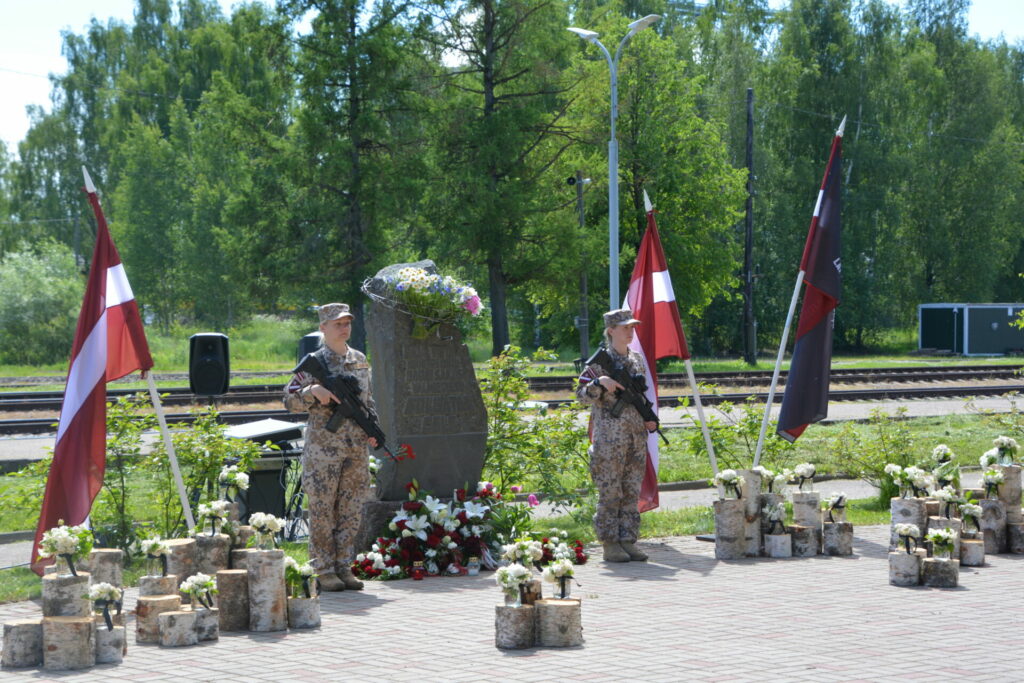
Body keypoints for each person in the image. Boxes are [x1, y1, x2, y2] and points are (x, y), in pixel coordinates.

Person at [284, 303, 379, 590]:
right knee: (323, 510)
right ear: (323, 327)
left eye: (347, 322)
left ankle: (343, 567)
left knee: (351, 510)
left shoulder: (359, 359)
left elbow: (367, 401)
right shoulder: (315, 362)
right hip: (323, 451)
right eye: (337, 323)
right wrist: (312, 392)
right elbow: (288, 400)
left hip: (355, 450)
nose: (344, 327)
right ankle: (323, 570)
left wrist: (373, 429)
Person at [576, 308, 658, 563]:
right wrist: (599, 383)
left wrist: (649, 418)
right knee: (610, 491)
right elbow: (580, 397)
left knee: (631, 491)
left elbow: (640, 395)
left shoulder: (636, 360)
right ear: (611, 331)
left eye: (632, 327)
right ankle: (610, 543)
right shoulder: (599, 362)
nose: (630, 332)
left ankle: (627, 540)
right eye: (625, 328)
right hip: (610, 440)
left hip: (635, 437)